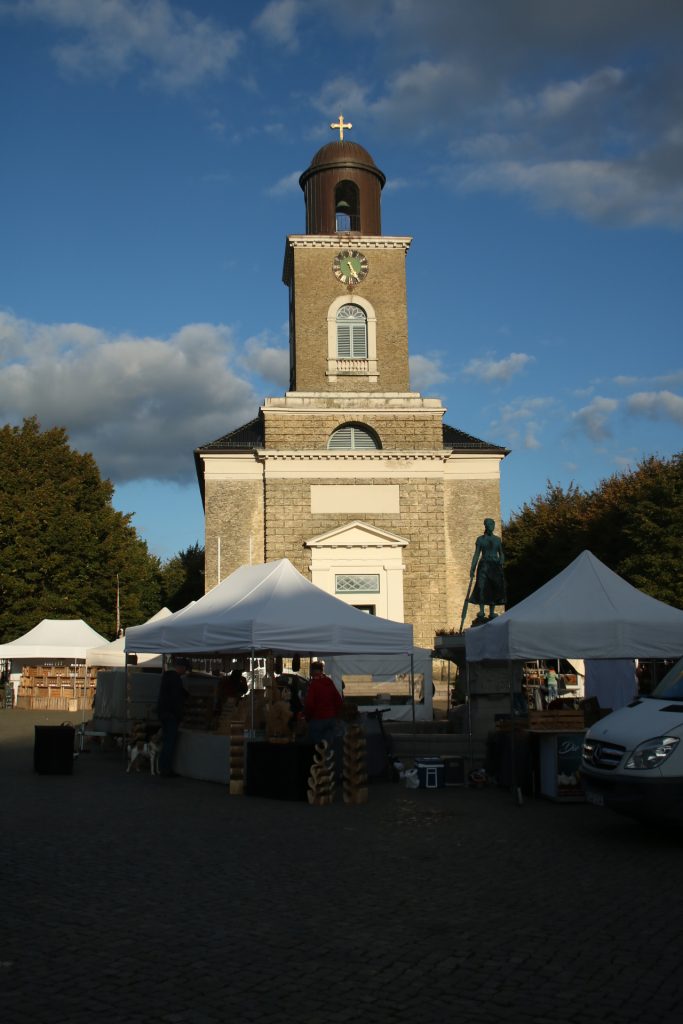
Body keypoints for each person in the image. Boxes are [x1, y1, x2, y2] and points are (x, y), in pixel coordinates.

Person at [157, 657, 191, 778]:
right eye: (185, 669)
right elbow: (176, 699)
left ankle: (162, 767)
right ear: (180, 667)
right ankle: (165, 769)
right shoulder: (176, 679)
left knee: (166, 741)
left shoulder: (167, 677)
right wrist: (180, 715)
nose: (185, 672)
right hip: (171, 714)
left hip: (163, 713)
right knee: (169, 742)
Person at [468, 518, 506, 621]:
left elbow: (501, 553)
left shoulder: (497, 540)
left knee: (493, 587)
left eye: (492, 525)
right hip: (484, 565)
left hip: (494, 566)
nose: (491, 527)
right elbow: (476, 554)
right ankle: (482, 611)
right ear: (486, 526)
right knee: (481, 586)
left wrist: (502, 560)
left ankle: (492, 612)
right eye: (489, 525)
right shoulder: (480, 539)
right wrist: (472, 568)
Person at [304, 661, 344, 746]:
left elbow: (309, 704)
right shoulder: (329, 682)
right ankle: (328, 757)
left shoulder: (313, 684)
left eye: (311, 670)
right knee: (329, 745)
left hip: (317, 719)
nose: (310, 672)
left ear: (314, 671)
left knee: (317, 746)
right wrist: (337, 715)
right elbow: (338, 700)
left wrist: (307, 717)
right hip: (331, 718)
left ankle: (319, 757)